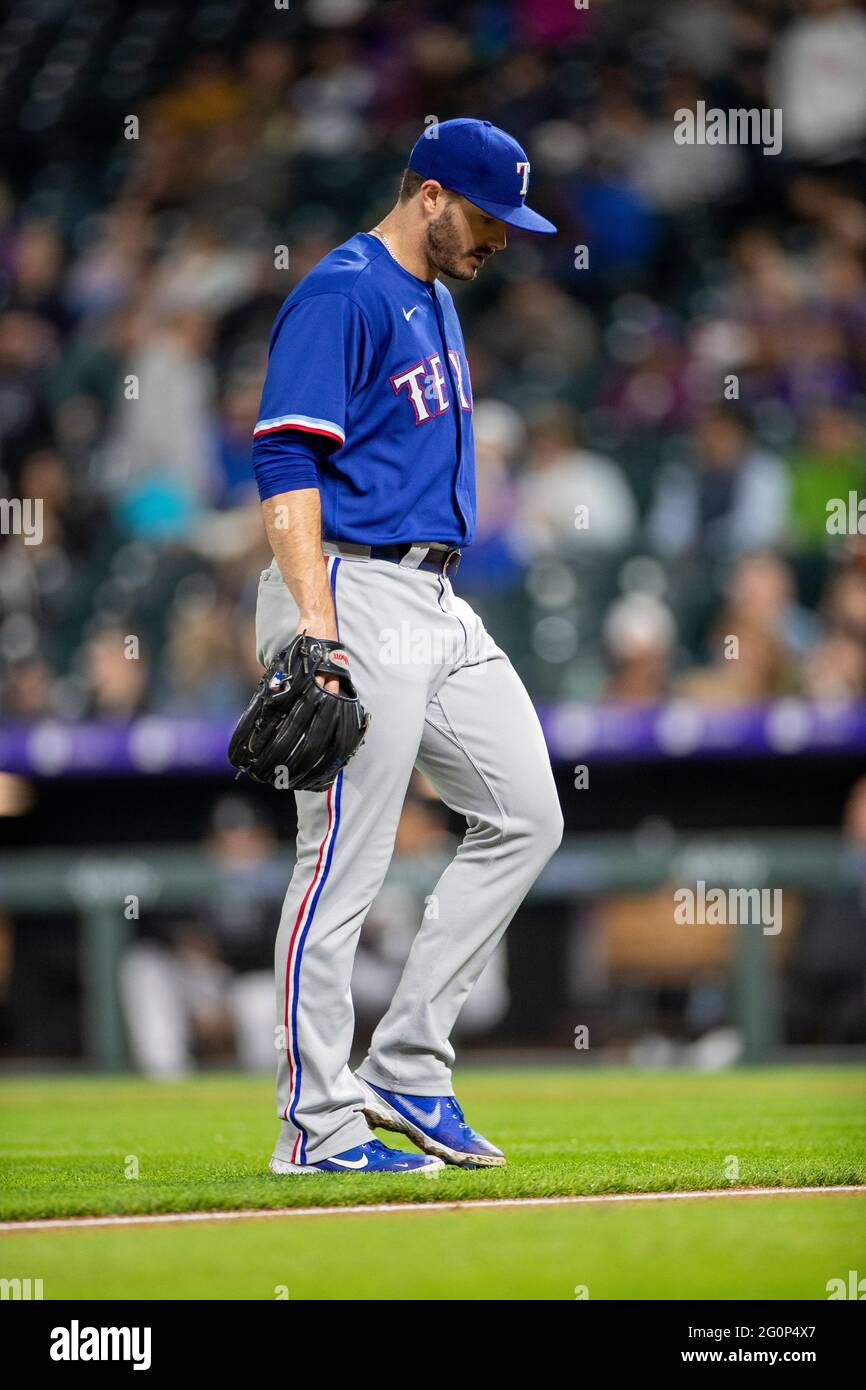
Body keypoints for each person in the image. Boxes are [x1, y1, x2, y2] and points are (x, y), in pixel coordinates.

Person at [250, 119, 563, 1176]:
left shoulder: (433, 295)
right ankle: (318, 1125)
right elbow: (286, 456)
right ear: (428, 195)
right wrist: (314, 623)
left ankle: (409, 1064)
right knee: (341, 863)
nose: (497, 239)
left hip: (434, 595)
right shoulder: (343, 291)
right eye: (483, 215)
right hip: (347, 583)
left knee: (526, 812)